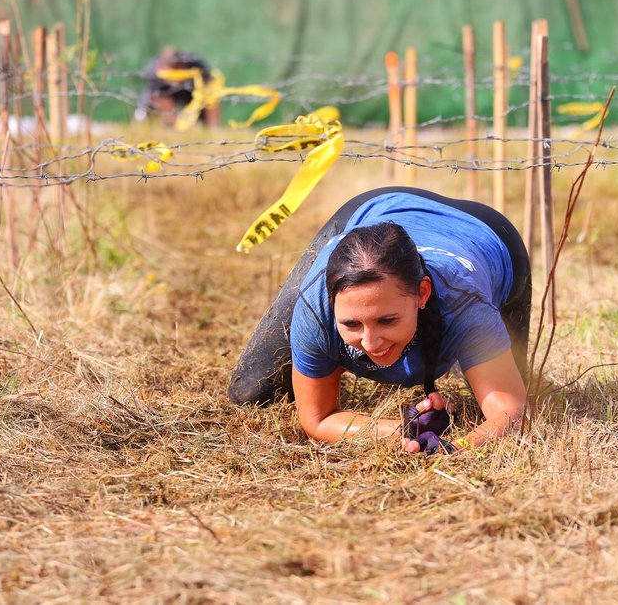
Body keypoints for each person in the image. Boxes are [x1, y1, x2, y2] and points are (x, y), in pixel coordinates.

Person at [227, 186, 531, 453]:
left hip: (485, 231)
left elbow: (514, 414)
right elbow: (317, 419)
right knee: (251, 392)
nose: (370, 343)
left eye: (386, 320)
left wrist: (454, 448)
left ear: (422, 293)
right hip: (376, 207)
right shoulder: (314, 310)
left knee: (507, 393)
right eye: (351, 324)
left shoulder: (464, 304)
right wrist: (399, 431)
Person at [134, 47, 220, 127]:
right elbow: (160, 99)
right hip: (164, 93)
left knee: (209, 98)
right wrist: (179, 124)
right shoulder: (154, 72)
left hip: (191, 91)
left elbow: (209, 87)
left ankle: (210, 126)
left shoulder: (194, 64)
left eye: (178, 67)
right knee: (147, 109)